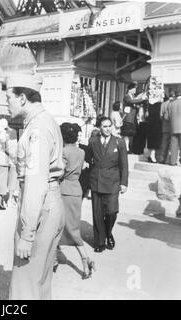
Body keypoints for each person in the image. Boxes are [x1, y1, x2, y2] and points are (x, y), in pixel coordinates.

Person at [6, 74, 65, 300]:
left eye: (8, 98)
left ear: (22, 98)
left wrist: (27, 234)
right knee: (40, 283)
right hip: (51, 203)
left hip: (40, 208)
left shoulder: (37, 130)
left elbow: (35, 185)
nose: (7, 104)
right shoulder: (45, 121)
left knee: (25, 287)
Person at [58, 123, 95, 279]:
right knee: (73, 228)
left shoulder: (63, 152)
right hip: (76, 189)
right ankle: (85, 260)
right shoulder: (80, 152)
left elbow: (60, 173)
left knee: (56, 226)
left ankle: (53, 260)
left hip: (64, 190)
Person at [87, 116, 128, 252]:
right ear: (99, 127)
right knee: (97, 213)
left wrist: (124, 183)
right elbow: (88, 160)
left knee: (111, 211)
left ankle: (108, 232)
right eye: (104, 126)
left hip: (113, 181)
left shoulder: (119, 142)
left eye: (109, 125)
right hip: (97, 180)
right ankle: (100, 242)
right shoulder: (93, 141)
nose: (107, 128)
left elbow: (124, 165)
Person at [121, 82, 147, 153]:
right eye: (134, 89)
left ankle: (129, 148)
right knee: (127, 134)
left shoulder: (132, 96)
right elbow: (132, 102)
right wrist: (142, 99)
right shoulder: (127, 96)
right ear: (130, 89)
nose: (135, 90)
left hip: (132, 117)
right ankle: (126, 148)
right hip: (128, 118)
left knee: (130, 134)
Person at [158, 92, 175, 164]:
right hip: (174, 127)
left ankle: (162, 159)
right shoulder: (174, 103)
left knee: (164, 143)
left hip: (165, 126)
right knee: (174, 144)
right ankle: (171, 160)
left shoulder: (163, 104)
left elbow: (160, 116)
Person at [166, 90, 181, 166]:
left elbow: (167, 117)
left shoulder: (170, 104)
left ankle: (172, 161)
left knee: (174, 145)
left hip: (173, 127)